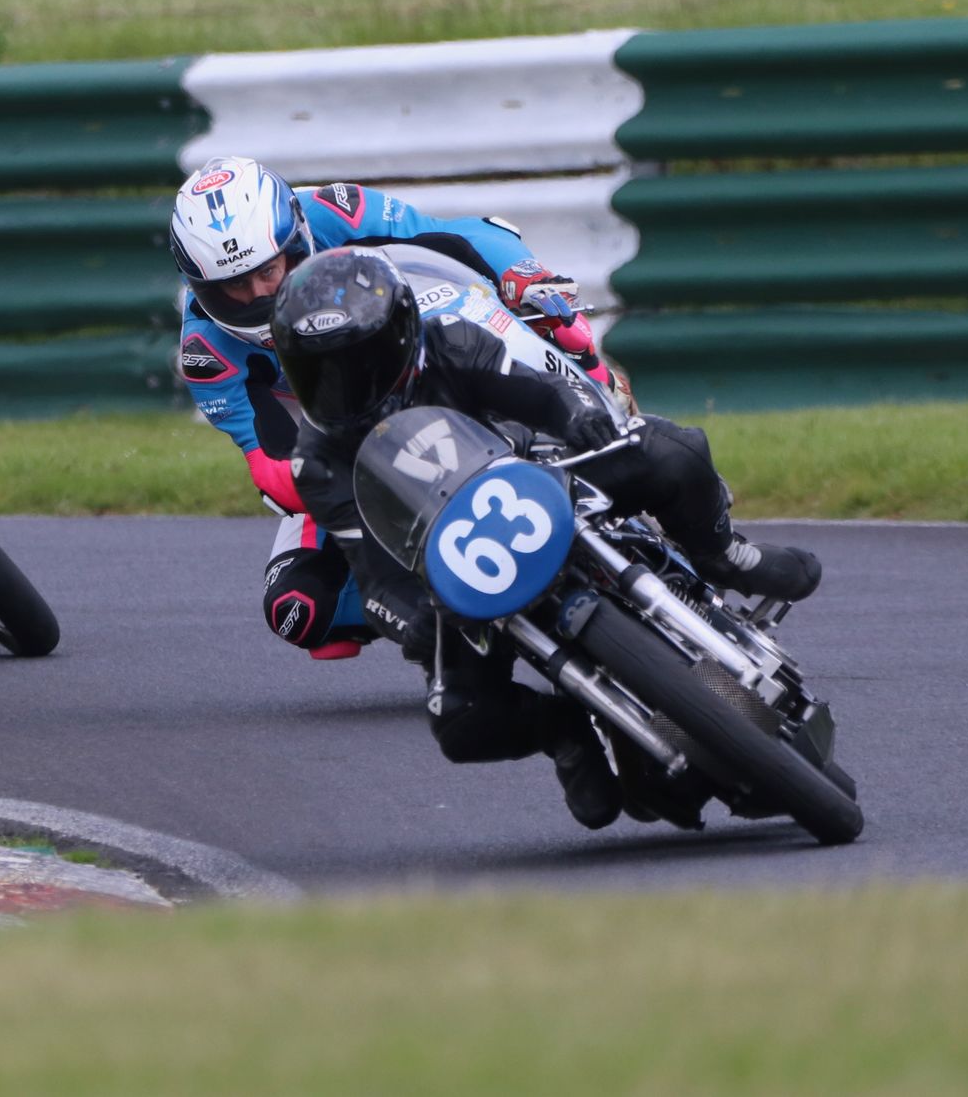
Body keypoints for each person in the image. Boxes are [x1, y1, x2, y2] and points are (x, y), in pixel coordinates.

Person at [269, 245, 822, 830]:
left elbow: (545, 390)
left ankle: (725, 555)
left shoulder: (452, 343)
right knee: (459, 720)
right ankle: (564, 733)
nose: (343, 387)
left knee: (675, 453)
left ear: (401, 337)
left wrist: (578, 418)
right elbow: (373, 572)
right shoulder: (318, 463)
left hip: (538, 478)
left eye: (358, 364)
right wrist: (415, 622)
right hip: (459, 568)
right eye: (320, 374)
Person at [169, 155, 632, 661]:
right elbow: (275, 467)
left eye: (271, 271)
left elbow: (454, 237)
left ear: (296, 240)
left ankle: (614, 422)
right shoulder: (207, 355)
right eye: (237, 288)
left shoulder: (332, 210)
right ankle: (462, 628)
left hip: (436, 354)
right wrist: (367, 473)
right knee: (297, 605)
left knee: (561, 325)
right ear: (202, 289)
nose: (262, 295)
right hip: (348, 440)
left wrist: (523, 276)